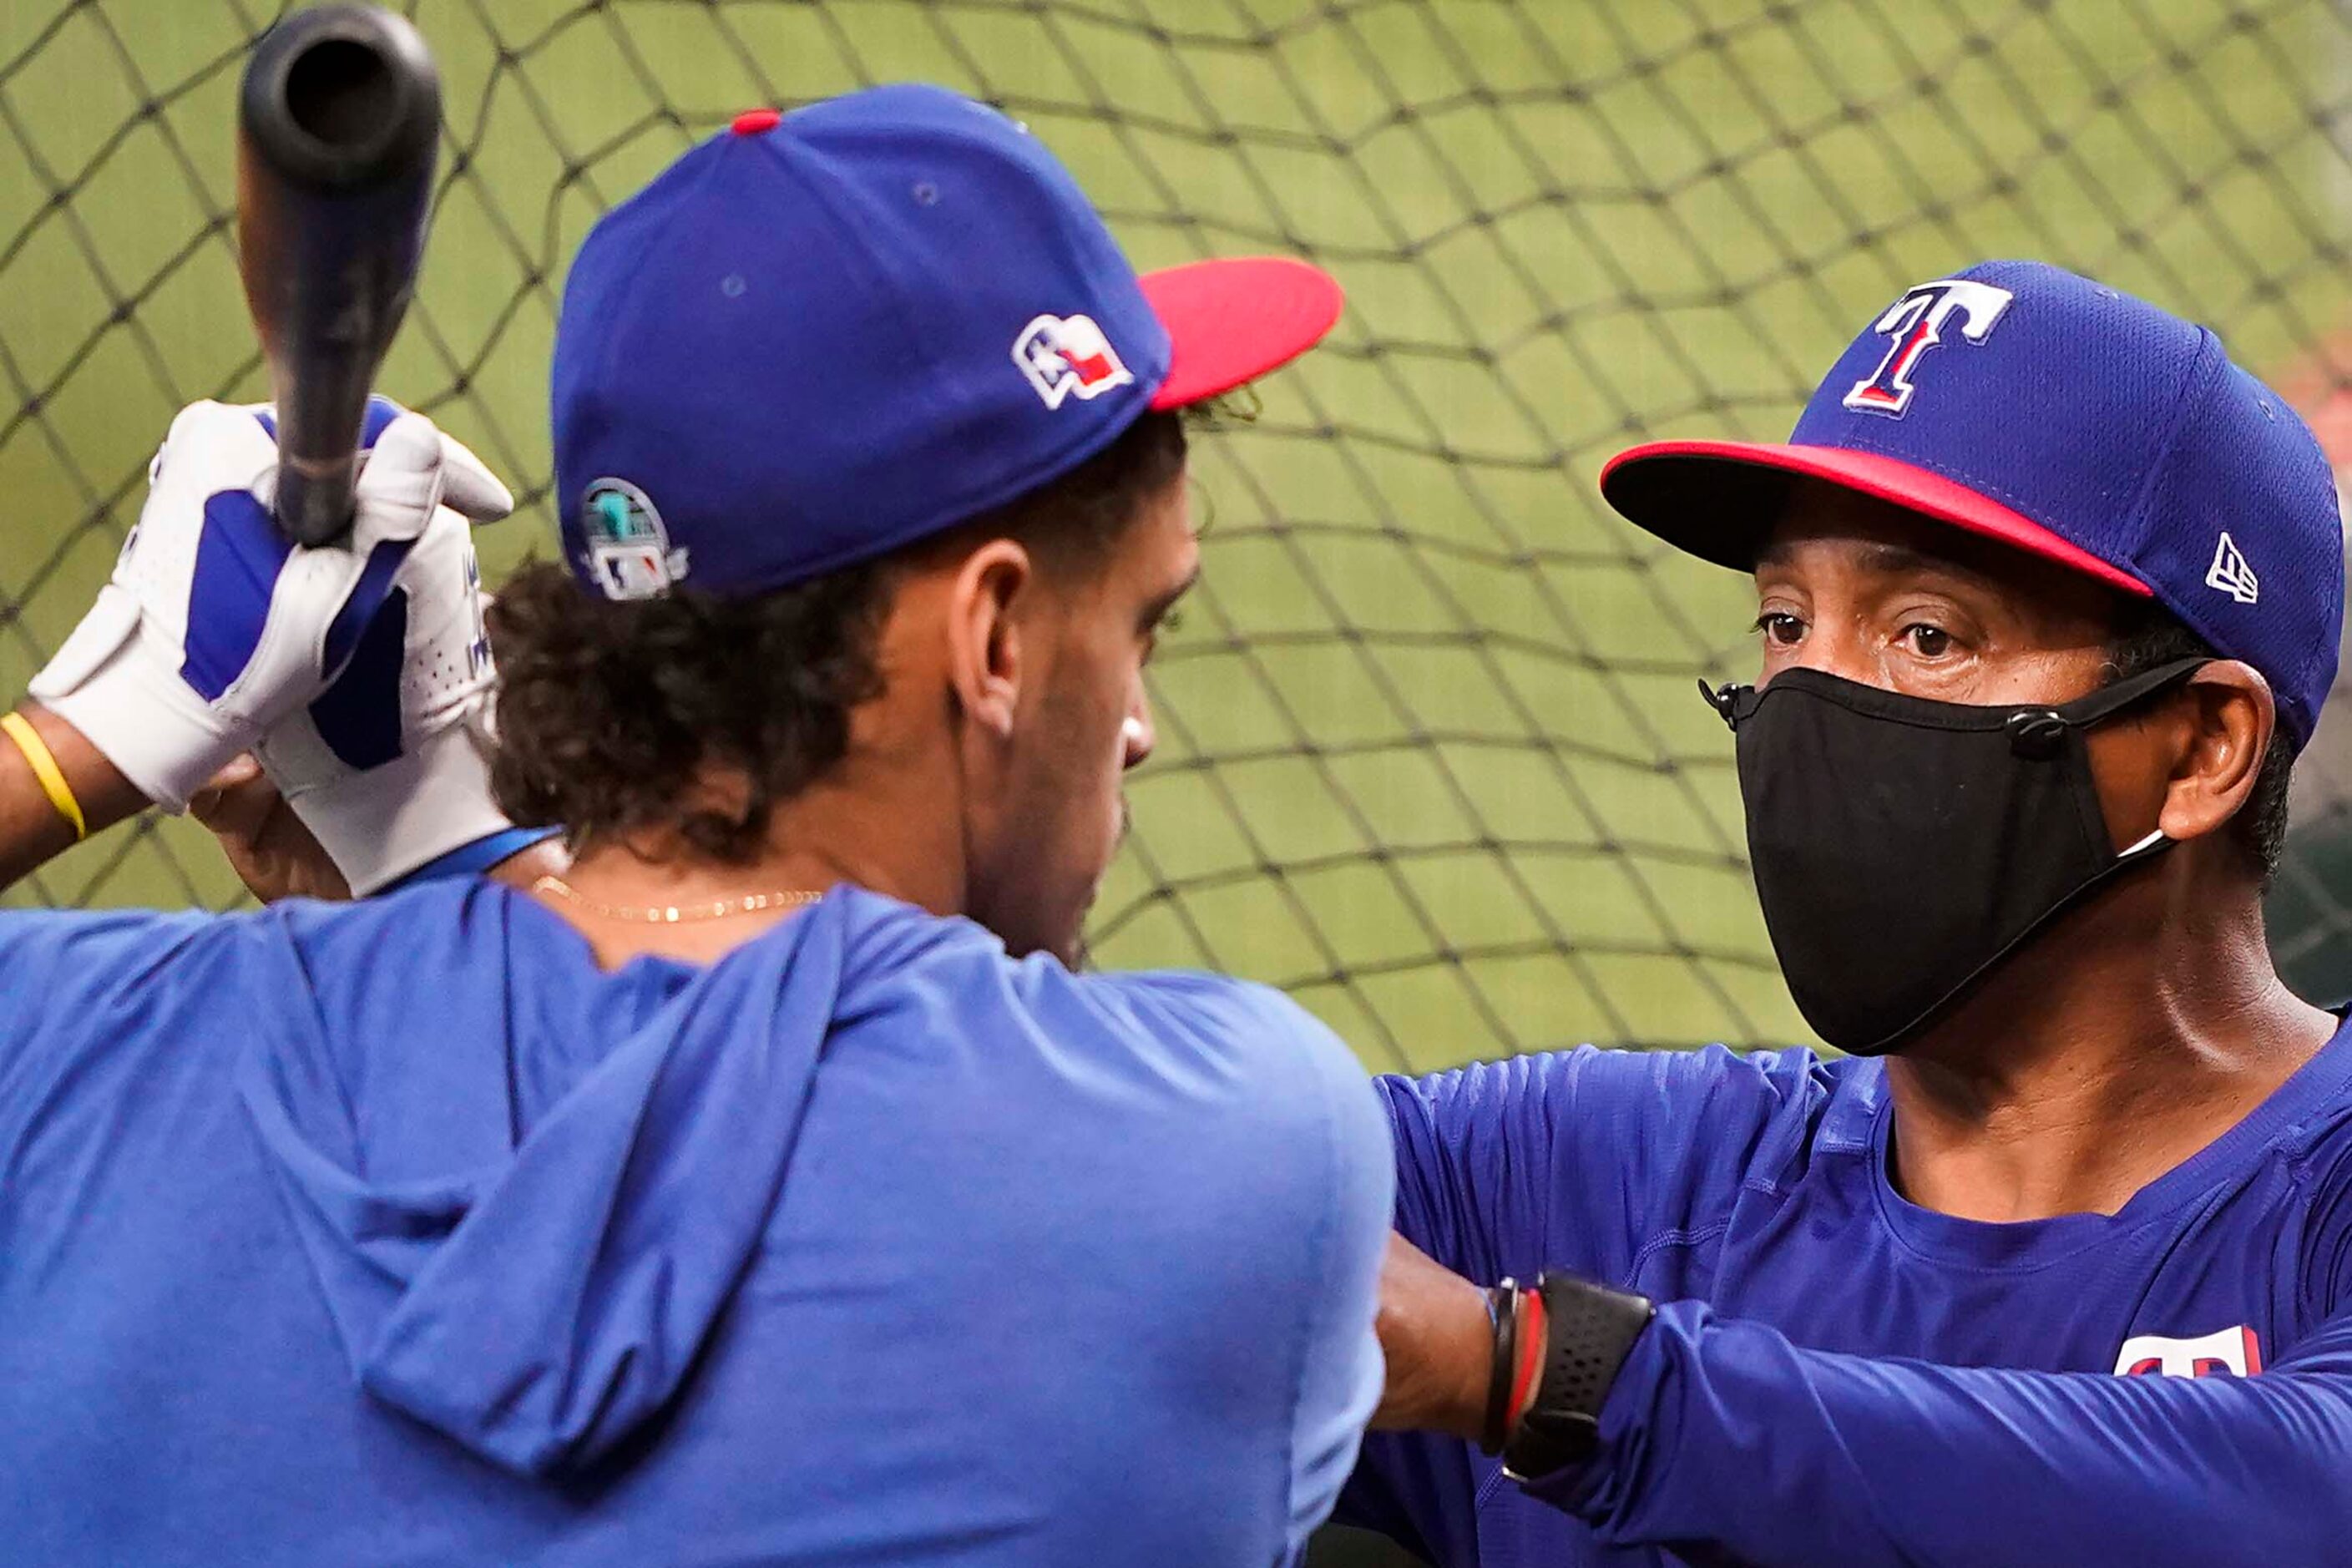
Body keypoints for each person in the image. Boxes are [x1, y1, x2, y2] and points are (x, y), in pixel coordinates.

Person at [0, 84, 1392, 1567]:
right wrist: (447, 863)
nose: (1136, 726)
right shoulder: (1223, 1168)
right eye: (1141, 625)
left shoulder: (77, 1064)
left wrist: (87, 745)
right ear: (991, 641)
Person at [1348, 261, 2352, 1566]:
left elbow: (2300, 1502)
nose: (1813, 706)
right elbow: (1136, 1178)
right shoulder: (1606, 1179)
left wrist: (1553, 1377)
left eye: (1925, 635)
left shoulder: (2318, 1201)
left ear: (2202, 746)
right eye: (1783, 621)